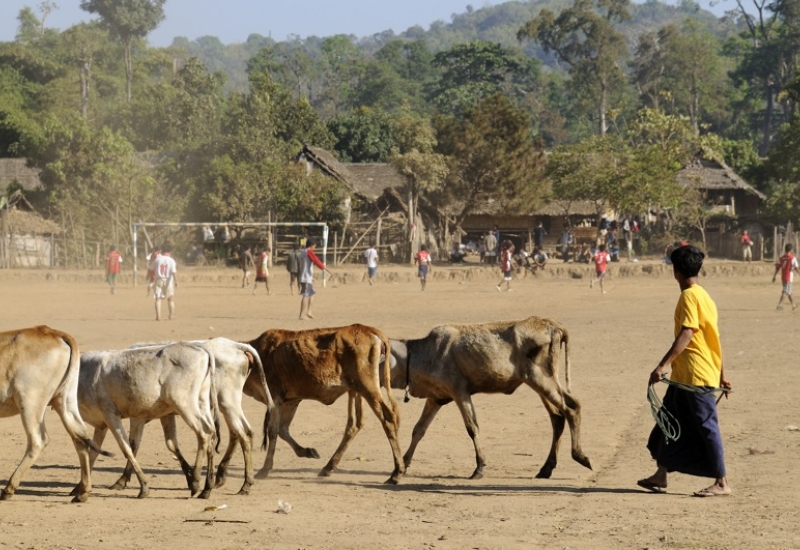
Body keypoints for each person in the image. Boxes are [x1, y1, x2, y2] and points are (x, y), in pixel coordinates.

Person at [638, 244, 732, 497]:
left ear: (676, 271)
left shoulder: (689, 296)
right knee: (667, 422)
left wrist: (662, 365)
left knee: (706, 426)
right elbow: (715, 338)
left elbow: (688, 332)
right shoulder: (705, 296)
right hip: (688, 376)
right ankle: (661, 474)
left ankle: (722, 482)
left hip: (694, 375)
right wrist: (722, 374)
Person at [298, 238, 332, 320]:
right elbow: (317, 261)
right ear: (312, 245)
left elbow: (301, 266)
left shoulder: (303, 252)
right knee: (306, 295)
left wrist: (310, 277)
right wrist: (327, 269)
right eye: (314, 246)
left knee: (312, 294)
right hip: (305, 278)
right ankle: (302, 315)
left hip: (306, 277)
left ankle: (309, 311)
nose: (315, 248)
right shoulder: (308, 252)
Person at [151, 242, 177, 321]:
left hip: (159, 280)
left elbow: (151, 268)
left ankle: (158, 316)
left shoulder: (158, 259)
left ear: (161, 250)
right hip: (168, 280)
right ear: (170, 251)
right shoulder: (171, 260)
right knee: (170, 299)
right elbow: (174, 272)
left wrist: (150, 277)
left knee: (158, 298)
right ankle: (171, 315)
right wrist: (176, 281)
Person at [772, 243, 800, 311]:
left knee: (789, 291)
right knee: (785, 291)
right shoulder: (792, 258)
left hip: (783, 277)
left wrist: (774, 276)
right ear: (791, 250)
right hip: (789, 277)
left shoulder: (781, 258)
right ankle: (780, 304)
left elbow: (778, 267)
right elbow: (796, 268)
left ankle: (793, 305)